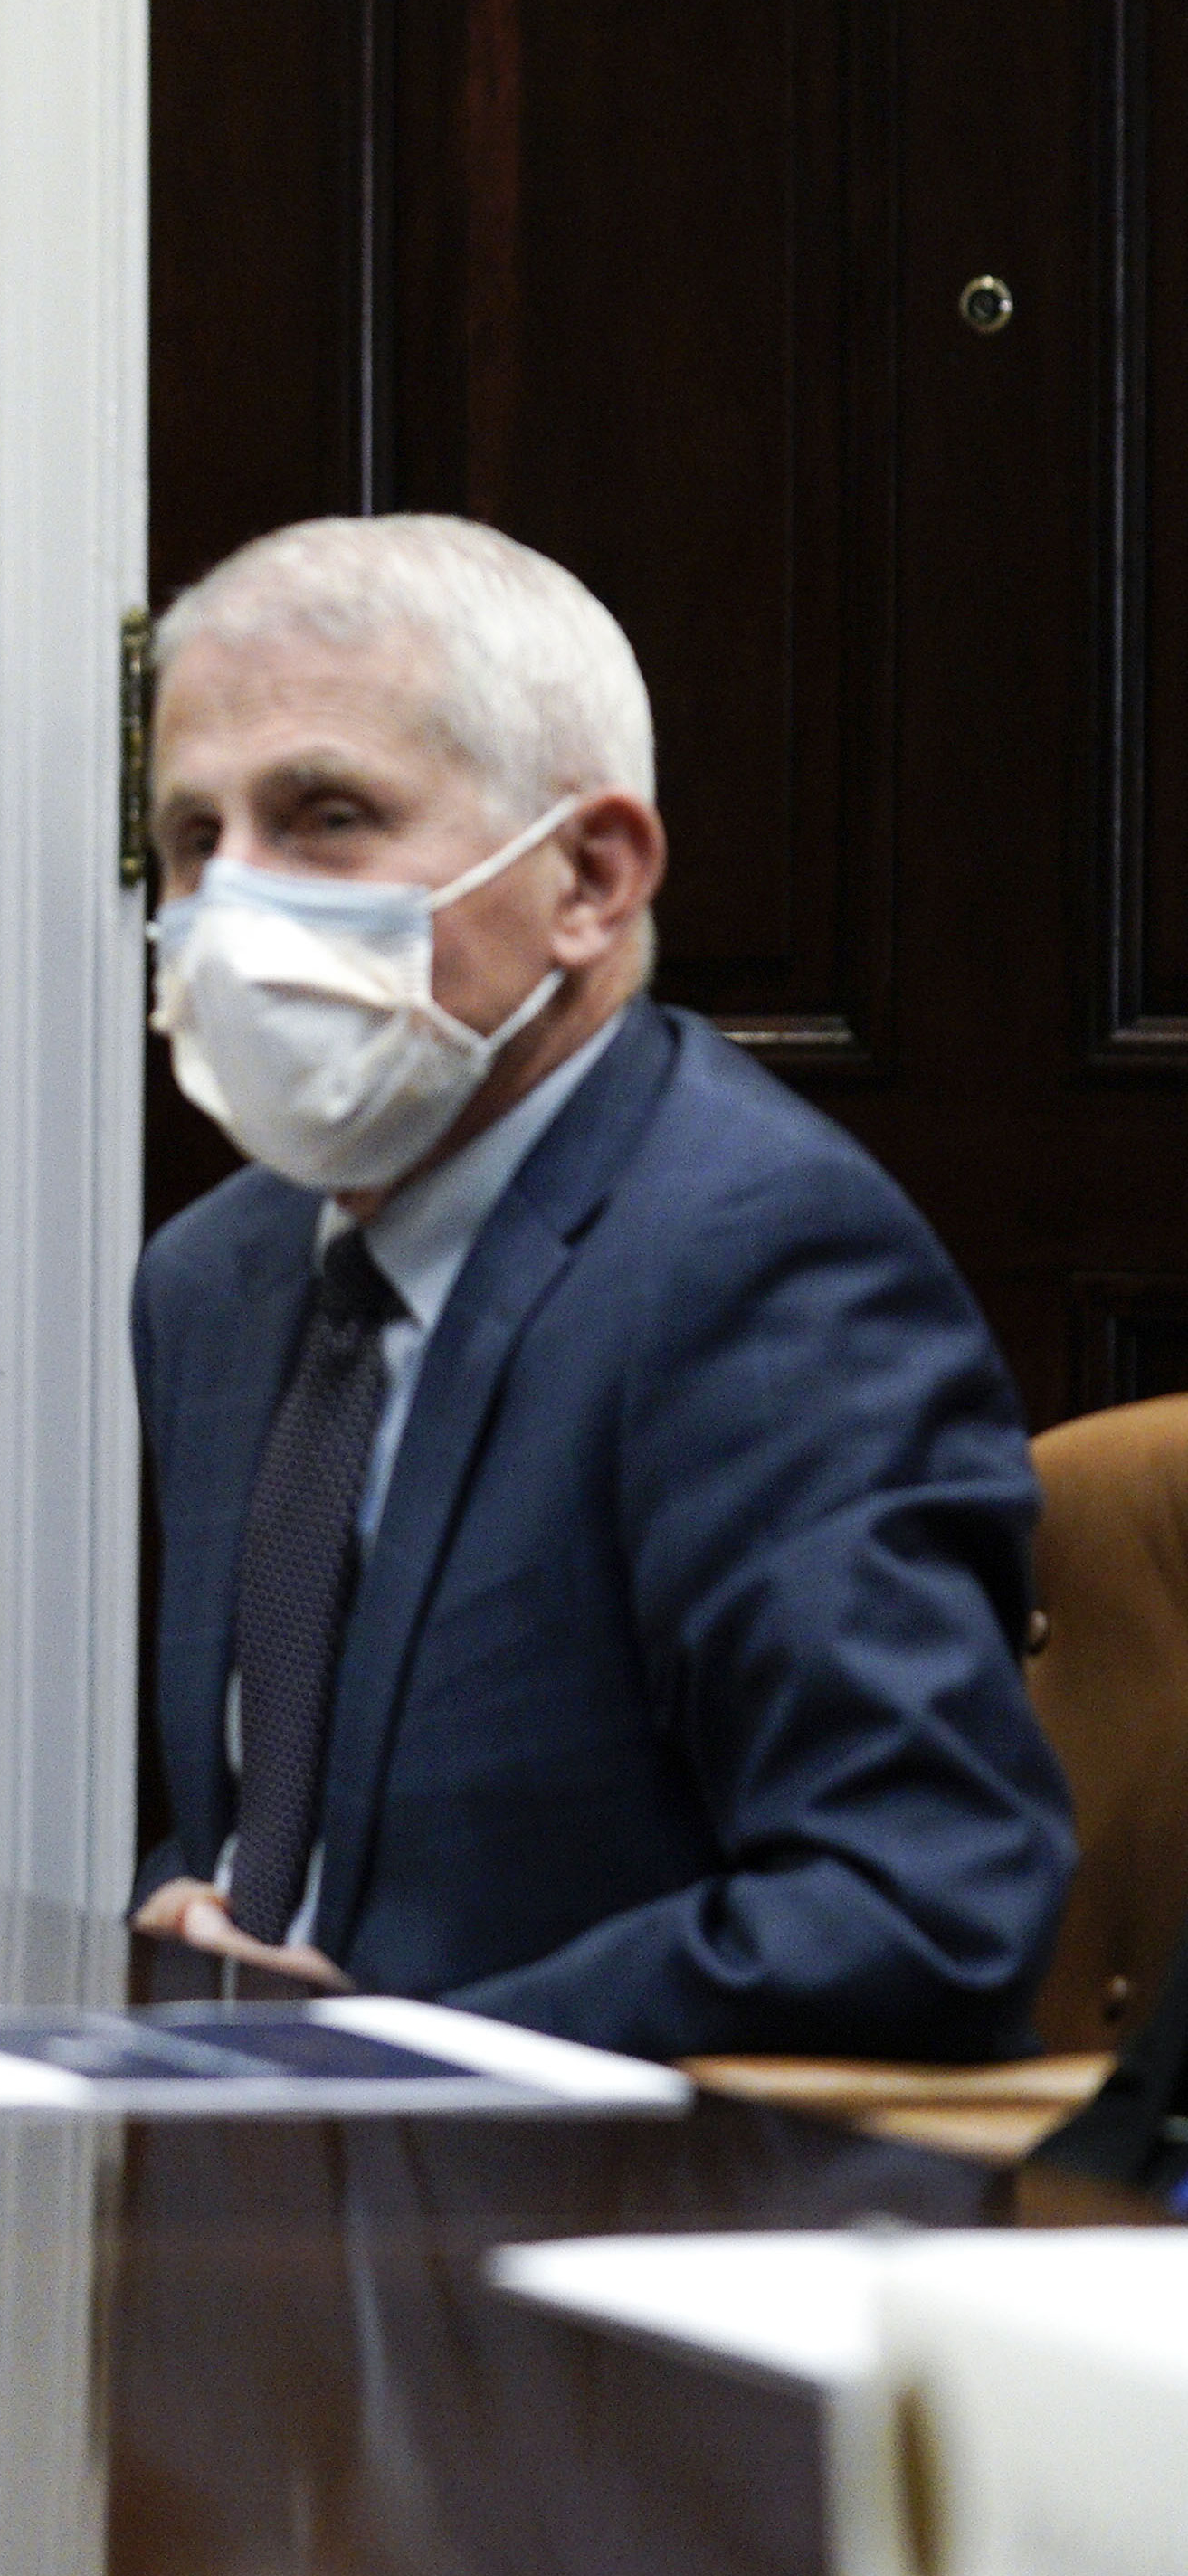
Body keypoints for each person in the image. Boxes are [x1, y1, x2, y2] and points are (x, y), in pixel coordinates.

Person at [128, 515, 1069, 2059]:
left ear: (590, 875)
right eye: (188, 839)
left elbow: (923, 1905)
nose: (228, 905)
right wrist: (195, 1931)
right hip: (249, 2200)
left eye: (324, 816)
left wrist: (397, 2053)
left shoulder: (754, 1260)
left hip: (588, 2228)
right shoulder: (215, 1280)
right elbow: (274, 1840)